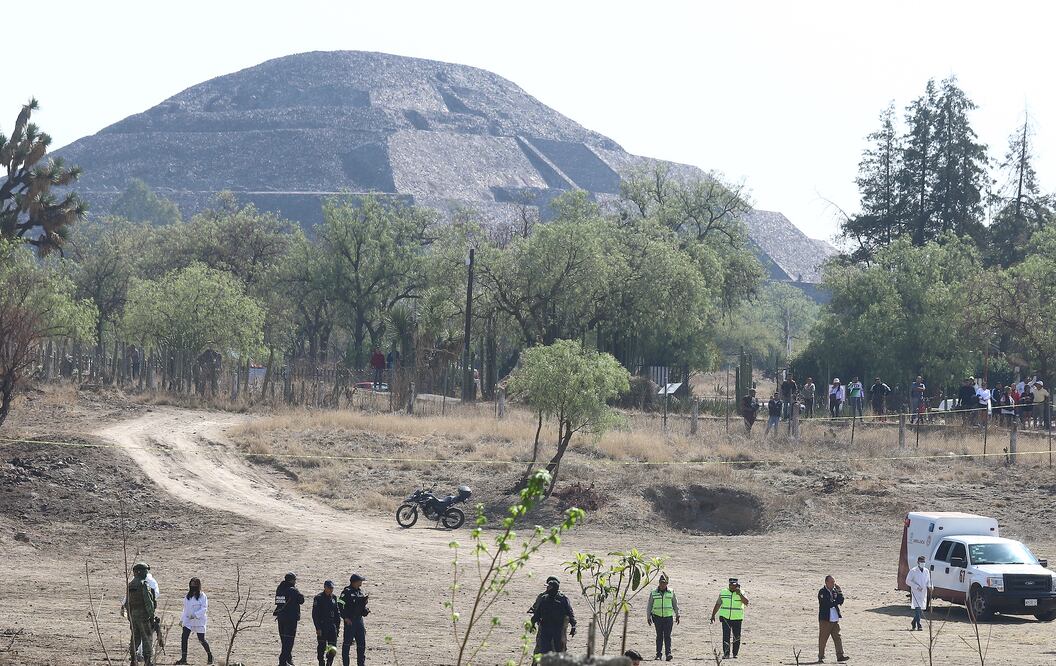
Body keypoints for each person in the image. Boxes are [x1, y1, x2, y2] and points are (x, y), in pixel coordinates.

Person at [122, 562, 160, 664]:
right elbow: (148, 602)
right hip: (143, 615)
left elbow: (126, 603)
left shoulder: (130, 585)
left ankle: (133, 660)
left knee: (135, 637)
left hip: (133, 615)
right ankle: (147, 661)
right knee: (147, 637)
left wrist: (130, 616)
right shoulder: (143, 584)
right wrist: (151, 616)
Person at [530, 576, 576, 656]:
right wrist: (533, 623)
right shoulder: (544, 598)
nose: (547, 588)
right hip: (545, 629)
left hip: (558, 630)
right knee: (543, 650)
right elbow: (537, 613)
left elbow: (570, 613)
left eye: (549, 587)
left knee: (559, 650)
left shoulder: (562, 599)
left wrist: (573, 625)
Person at [176, 577, 213, 665]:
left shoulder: (202, 596)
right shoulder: (187, 596)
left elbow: (204, 608)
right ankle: (184, 659)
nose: (193, 586)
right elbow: (185, 609)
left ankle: (210, 655)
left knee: (201, 639)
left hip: (199, 621)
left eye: (195, 584)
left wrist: (196, 615)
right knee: (184, 638)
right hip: (188, 620)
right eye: (192, 584)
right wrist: (182, 620)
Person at [710, 578, 749, 660]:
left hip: (737, 618)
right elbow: (718, 604)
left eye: (734, 585)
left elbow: (746, 602)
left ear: (737, 585)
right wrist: (713, 615)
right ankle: (726, 654)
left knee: (736, 636)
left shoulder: (742, 592)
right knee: (726, 636)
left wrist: (740, 594)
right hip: (725, 618)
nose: (732, 586)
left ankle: (735, 654)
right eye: (730, 585)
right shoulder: (723, 592)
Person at [274, 572, 305, 666]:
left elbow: (278, 602)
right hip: (290, 619)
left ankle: (288, 659)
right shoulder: (293, 590)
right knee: (289, 641)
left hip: (281, 618)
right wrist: (296, 591)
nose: (295, 581)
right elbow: (301, 600)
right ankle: (282, 661)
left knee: (284, 640)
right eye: (294, 580)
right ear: (291, 580)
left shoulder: (279, 589)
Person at [646, 574, 679, 661]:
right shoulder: (653, 592)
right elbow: (650, 605)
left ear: (667, 583)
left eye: (664, 583)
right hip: (657, 617)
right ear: (659, 583)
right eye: (661, 583)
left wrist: (677, 614)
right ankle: (658, 655)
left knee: (667, 636)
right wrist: (648, 616)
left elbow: (675, 604)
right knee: (659, 636)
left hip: (668, 617)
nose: (662, 584)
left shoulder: (671, 592)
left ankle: (668, 653)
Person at [338, 574, 369, 666]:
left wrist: (365, 610)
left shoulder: (360, 592)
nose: (361, 583)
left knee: (361, 644)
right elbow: (340, 605)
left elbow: (361, 608)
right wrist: (345, 618)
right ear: (355, 582)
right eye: (360, 581)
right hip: (350, 621)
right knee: (347, 644)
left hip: (359, 621)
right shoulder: (346, 592)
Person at [817, 575, 849, 663]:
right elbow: (828, 604)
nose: (833, 584)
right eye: (831, 582)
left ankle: (840, 655)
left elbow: (841, 600)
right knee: (823, 638)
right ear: (826, 582)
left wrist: (839, 591)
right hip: (826, 619)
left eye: (834, 582)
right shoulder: (822, 592)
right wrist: (836, 602)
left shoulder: (835, 591)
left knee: (837, 637)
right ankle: (821, 656)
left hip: (834, 618)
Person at [313, 580, 342, 666]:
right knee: (321, 646)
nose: (331, 590)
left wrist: (337, 627)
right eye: (329, 588)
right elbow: (315, 615)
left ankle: (329, 662)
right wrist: (318, 628)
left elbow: (337, 613)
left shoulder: (334, 598)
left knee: (332, 647)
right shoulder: (319, 598)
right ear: (325, 587)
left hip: (332, 626)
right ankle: (321, 661)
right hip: (322, 625)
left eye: (332, 588)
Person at [905, 556, 932, 631]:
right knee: (918, 607)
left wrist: (930, 586)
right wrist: (916, 587)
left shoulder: (926, 571)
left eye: (924, 562)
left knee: (921, 608)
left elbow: (928, 581)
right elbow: (907, 581)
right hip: (916, 592)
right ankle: (919, 624)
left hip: (923, 592)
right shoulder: (913, 571)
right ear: (918, 562)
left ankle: (914, 622)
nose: (922, 563)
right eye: (921, 562)